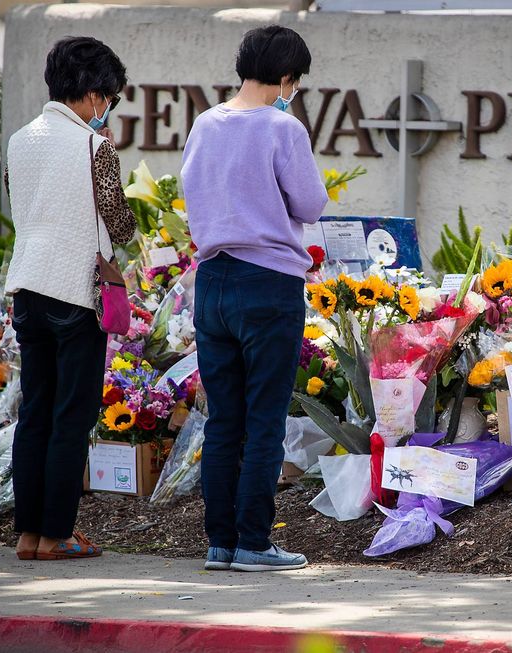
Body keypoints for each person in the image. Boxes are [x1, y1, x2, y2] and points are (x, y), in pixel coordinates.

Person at [182, 25, 328, 572]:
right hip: (268, 284)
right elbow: (311, 204)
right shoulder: (283, 128)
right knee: (264, 420)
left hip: (213, 281)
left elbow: (192, 191)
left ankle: (220, 543)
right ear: (287, 77)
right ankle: (254, 543)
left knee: (223, 420)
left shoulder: (205, 122)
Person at [4, 36, 136, 560]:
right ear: (92, 93)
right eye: (110, 98)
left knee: (34, 412)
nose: (107, 109)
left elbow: (23, 206)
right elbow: (120, 222)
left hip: (27, 289)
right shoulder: (94, 147)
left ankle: (27, 534)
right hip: (76, 293)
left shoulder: (20, 139)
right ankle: (57, 534)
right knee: (70, 416)